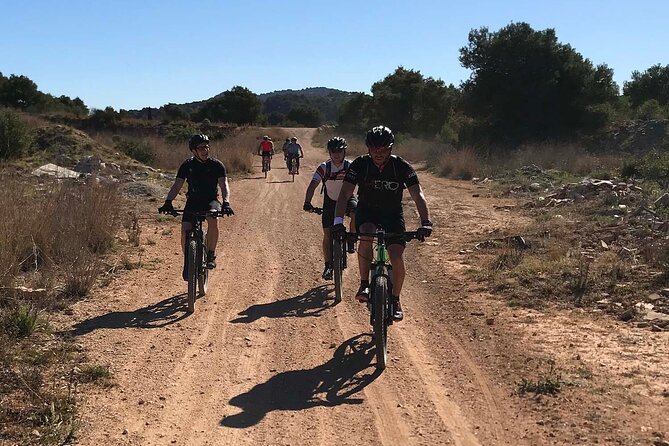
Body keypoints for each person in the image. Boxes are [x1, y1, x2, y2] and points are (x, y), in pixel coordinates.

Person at [331, 126, 432, 321]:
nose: (379, 153)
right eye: (375, 149)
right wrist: (337, 222)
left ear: (391, 149)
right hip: (367, 211)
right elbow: (345, 194)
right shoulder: (360, 165)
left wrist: (425, 222)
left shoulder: (401, 166)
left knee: (396, 255)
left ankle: (395, 300)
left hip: (392, 213)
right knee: (367, 235)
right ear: (368, 149)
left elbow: (417, 195)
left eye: (384, 149)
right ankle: (364, 284)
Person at [158, 134, 235, 279]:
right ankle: (189, 261)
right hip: (193, 201)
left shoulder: (217, 165)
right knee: (185, 230)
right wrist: (168, 202)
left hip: (211, 200)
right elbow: (177, 185)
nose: (205, 150)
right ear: (193, 150)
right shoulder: (187, 165)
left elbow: (224, 185)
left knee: (213, 220)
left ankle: (211, 255)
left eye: (207, 146)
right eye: (201, 147)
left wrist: (226, 202)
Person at [303, 137, 357, 280]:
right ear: (329, 153)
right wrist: (307, 202)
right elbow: (313, 185)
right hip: (330, 201)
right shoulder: (324, 167)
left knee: (355, 212)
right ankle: (328, 266)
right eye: (333, 151)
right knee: (327, 234)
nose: (336, 154)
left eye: (339, 151)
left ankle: (352, 238)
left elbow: (362, 183)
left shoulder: (350, 166)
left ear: (344, 151)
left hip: (348, 198)